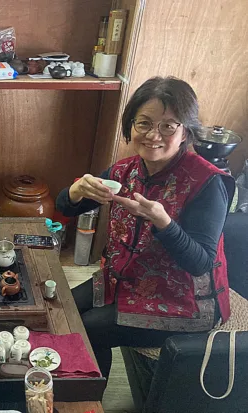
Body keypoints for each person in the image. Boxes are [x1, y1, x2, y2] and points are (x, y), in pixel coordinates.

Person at [56, 76, 235, 379]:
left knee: (89, 328)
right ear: (131, 126)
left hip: (186, 301)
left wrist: (163, 222)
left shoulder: (208, 181)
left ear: (185, 131)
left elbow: (201, 262)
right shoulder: (125, 171)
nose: (154, 135)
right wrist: (76, 191)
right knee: (62, 309)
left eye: (168, 125)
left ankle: (88, 400)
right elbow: (65, 206)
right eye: (144, 123)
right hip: (125, 280)